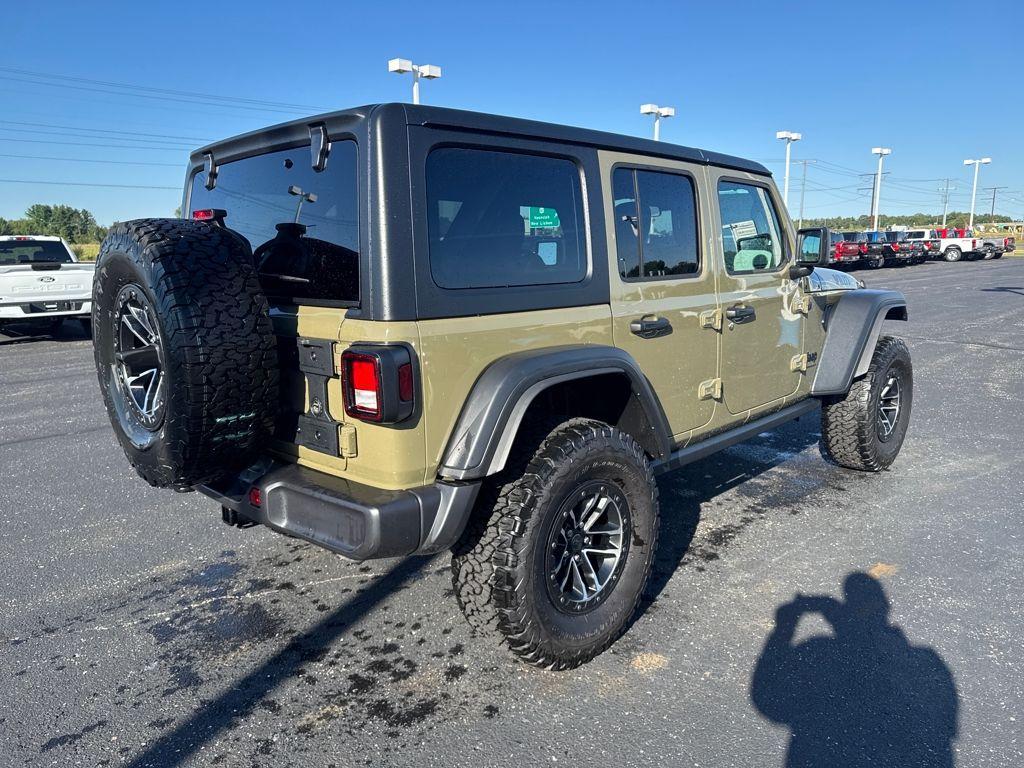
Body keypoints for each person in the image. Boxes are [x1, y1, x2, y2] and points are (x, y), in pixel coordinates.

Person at [751, 572, 959, 767]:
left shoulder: (820, 657)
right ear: (886, 607)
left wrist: (782, 633)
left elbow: (770, 699)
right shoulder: (925, 664)